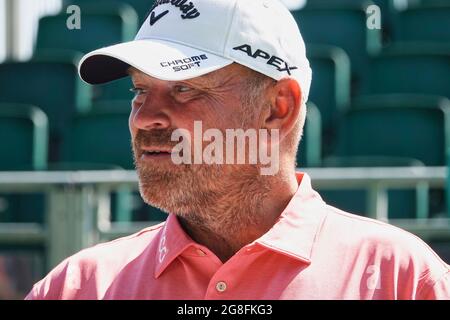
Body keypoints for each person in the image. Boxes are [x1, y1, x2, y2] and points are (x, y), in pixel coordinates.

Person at [26, 0, 449, 299]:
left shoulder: (403, 280)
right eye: (139, 89)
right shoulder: (77, 287)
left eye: (183, 89)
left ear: (277, 107)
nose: (144, 117)